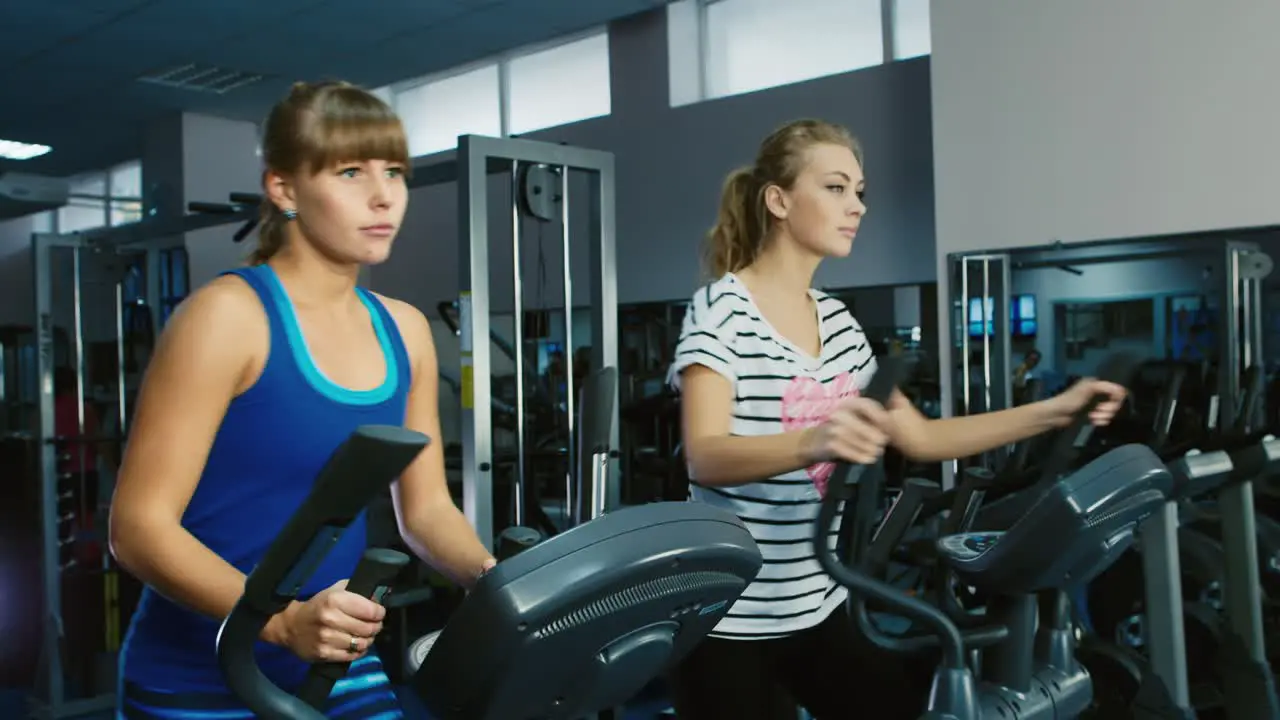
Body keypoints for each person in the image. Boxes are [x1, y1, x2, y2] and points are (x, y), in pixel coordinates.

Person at [666, 119, 1127, 719]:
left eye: (859, 192)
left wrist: (1056, 409)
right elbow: (706, 454)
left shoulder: (837, 322)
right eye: (835, 188)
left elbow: (922, 437)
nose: (856, 206)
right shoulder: (721, 309)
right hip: (726, 619)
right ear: (778, 200)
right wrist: (816, 441)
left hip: (817, 602)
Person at [108, 81, 497, 719]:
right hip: (198, 675)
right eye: (350, 172)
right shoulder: (226, 318)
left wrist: (496, 582)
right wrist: (281, 621)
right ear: (283, 188)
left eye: (394, 173)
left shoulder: (405, 329)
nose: (383, 197)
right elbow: (138, 530)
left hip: (335, 663)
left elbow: (425, 512)